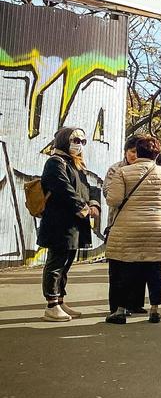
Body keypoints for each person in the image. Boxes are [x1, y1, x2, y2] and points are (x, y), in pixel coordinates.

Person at [103, 135, 161, 324]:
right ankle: (154, 309)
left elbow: (114, 200)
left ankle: (120, 310)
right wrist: (160, 213)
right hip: (157, 229)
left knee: (123, 267)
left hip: (128, 227)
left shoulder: (123, 172)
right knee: (154, 269)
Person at [38, 127, 99, 322]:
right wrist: (82, 207)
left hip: (74, 223)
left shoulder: (75, 164)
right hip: (59, 222)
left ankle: (60, 300)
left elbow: (87, 187)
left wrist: (93, 203)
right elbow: (61, 188)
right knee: (56, 263)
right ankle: (52, 304)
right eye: (75, 140)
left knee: (66, 262)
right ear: (64, 140)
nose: (78, 144)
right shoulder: (55, 162)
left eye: (82, 141)